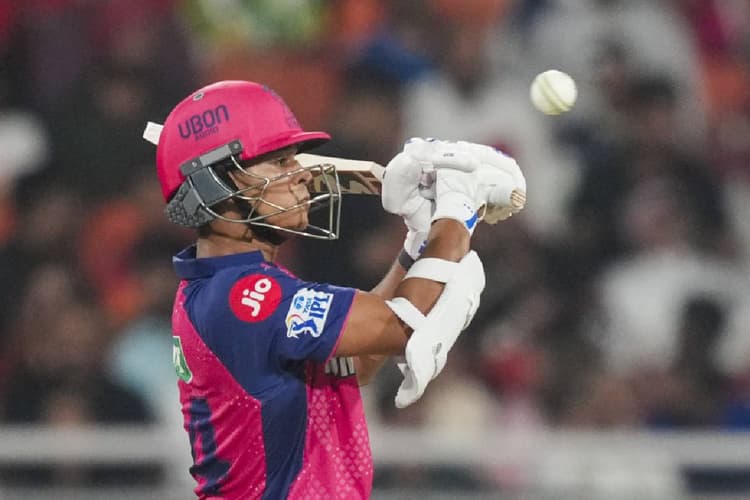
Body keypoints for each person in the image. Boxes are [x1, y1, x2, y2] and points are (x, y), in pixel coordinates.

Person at [147, 80, 525, 499]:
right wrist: (457, 211)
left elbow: (358, 360)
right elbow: (397, 326)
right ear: (215, 187)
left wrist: (418, 242)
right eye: (279, 162)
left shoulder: (234, 286)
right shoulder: (244, 298)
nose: (300, 175)